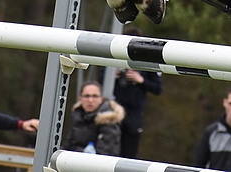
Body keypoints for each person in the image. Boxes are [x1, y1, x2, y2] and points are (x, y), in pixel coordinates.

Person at [111, 26, 162, 158]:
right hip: (113, 110)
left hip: (135, 114)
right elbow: (99, 81)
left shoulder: (147, 60)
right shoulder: (114, 57)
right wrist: (112, 75)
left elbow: (157, 88)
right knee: (109, 151)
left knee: (130, 154)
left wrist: (141, 80)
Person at [61, 80, 125, 155]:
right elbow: (67, 145)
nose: (90, 100)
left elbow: (105, 154)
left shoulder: (109, 121)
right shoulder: (77, 116)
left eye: (95, 96)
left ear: (101, 99)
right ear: (80, 99)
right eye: (86, 96)